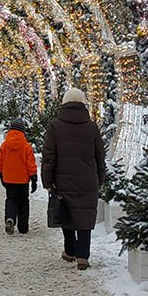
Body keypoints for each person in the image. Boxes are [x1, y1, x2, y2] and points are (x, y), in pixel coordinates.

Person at [42, 86, 107, 270]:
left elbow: (49, 156)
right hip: (87, 179)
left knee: (67, 213)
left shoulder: (55, 126)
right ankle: (83, 255)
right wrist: (100, 178)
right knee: (85, 215)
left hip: (63, 178)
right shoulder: (92, 126)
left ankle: (70, 250)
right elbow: (99, 156)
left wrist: (47, 181)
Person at [0, 117, 38, 235]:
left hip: (8, 178)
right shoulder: (26, 146)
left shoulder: (5, 145)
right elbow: (31, 164)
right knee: (24, 201)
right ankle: (23, 227)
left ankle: (10, 218)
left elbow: (0, 161)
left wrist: (1, 174)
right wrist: (33, 178)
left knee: (11, 199)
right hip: (23, 179)